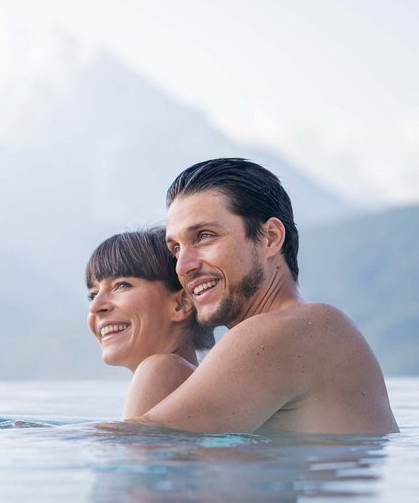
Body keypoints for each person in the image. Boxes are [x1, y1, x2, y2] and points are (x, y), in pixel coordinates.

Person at [130, 158, 399, 435]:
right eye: (176, 249)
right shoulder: (307, 330)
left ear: (269, 237)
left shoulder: (290, 329)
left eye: (204, 236)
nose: (183, 267)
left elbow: (141, 438)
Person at [86, 227, 215, 418]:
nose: (95, 306)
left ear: (181, 304)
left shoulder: (163, 368)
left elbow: (130, 435)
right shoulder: (191, 381)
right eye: (93, 294)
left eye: (121, 285)